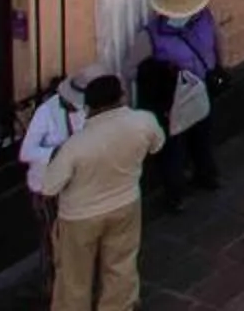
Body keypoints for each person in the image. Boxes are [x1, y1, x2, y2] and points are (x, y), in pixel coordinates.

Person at [40, 73, 160, 311]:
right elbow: (157, 144)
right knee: (121, 265)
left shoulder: (76, 146)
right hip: (126, 203)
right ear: (122, 96)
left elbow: (49, 186)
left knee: (75, 278)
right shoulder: (143, 121)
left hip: (79, 217)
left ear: (89, 106)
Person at [132, 0, 225, 210]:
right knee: (174, 146)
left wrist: (219, 67)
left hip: (202, 89)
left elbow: (218, 41)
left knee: (201, 137)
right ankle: (176, 193)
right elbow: (132, 68)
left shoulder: (204, 18)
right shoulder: (150, 35)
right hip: (174, 100)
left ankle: (205, 175)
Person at [21, 65, 96, 259]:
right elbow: (26, 152)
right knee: (52, 238)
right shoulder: (45, 113)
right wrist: (57, 152)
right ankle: (52, 282)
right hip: (47, 186)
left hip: (75, 185)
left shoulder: (85, 110)